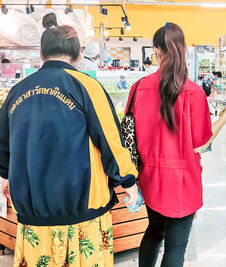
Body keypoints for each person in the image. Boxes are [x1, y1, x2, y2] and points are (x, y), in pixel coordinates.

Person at [0, 13, 138, 266]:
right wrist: (128, 181)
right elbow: (110, 141)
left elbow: (2, 147)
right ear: (77, 55)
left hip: (33, 215)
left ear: (42, 54)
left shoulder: (17, 91)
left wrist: (4, 177)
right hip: (81, 214)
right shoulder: (87, 86)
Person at [126, 23, 226, 267]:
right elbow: (201, 144)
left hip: (150, 176)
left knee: (154, 232)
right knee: (176, 245)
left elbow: (130, 134)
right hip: (183, 179)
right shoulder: (193, 92)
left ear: (156, 50)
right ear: (184, 50)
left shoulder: (138, 88)